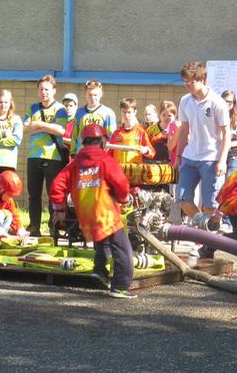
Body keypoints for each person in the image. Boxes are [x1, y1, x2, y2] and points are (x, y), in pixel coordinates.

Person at [50, 124, 135, 299]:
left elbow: (57, 186)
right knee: (123, 249)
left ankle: (99, 272)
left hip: (86, 216)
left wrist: (60, 208)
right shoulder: (105, 160)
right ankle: (120, 286)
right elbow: (121, 183)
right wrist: (124, 199)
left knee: (103, 243)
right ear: (103, 142)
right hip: (107, 213)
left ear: (84, 142)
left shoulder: (74, 164)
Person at [175, 61, 231, 241]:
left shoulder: (217, 102)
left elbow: (226, 134)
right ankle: (203, 229)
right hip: (190, 156)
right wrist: (178, 155)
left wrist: (222, 160)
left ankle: (207, 242)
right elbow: (184, 130)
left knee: (210, 205)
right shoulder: (185, 101)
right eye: (185, 81)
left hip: (211, 158)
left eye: (191, 81)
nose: (187, 85)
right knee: (182, 198)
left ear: (202, 80)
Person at [23, 75, 68, 237]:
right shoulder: (33, 108)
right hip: (34, 156)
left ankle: (53, 227)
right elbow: (25, 128)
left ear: (54, 90)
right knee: (33, 194)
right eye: (41, 89)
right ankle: (34, 226)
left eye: (47, 89)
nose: (43, 92)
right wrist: (48, 127)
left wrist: (40, 125)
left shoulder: (60, 109)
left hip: (53, 157)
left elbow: (61, 130)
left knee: (52, 195)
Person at [69, 79, 117, 158]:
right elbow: (75, 135)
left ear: (101, 94)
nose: (92, 98)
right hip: (81, 154)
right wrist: (73, 152)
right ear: (85, 94)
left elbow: (111, 137)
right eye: (90, 95)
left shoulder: (108, 113)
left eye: (95, 95)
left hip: (99, 156)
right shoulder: (79, 112)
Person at [108, 98, 155, 164]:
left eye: (129, 112)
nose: (126, 115)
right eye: (124, 112)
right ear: (120, 112)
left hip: (134, 169)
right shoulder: (117, 133)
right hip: (118, 169)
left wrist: (145, 150)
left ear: (135, 112)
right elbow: (109, 154)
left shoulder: (140, 131)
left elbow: (152, 153)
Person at [0, 170, 28, 239]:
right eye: (9, 194)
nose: (10, 197)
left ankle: (1, 236)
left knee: (8, 214)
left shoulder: (8, 199)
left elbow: (14, 215)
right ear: (0, 188)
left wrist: (20, 229)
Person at [145, 100, 179, 165]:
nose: (166, 118)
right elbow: (146, 146)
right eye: (164, 115)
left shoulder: (177, 129)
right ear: (160, 115)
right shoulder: (151, 130)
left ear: (174, 116)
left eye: (169, 116)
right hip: (154, 164)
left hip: (171, 163)